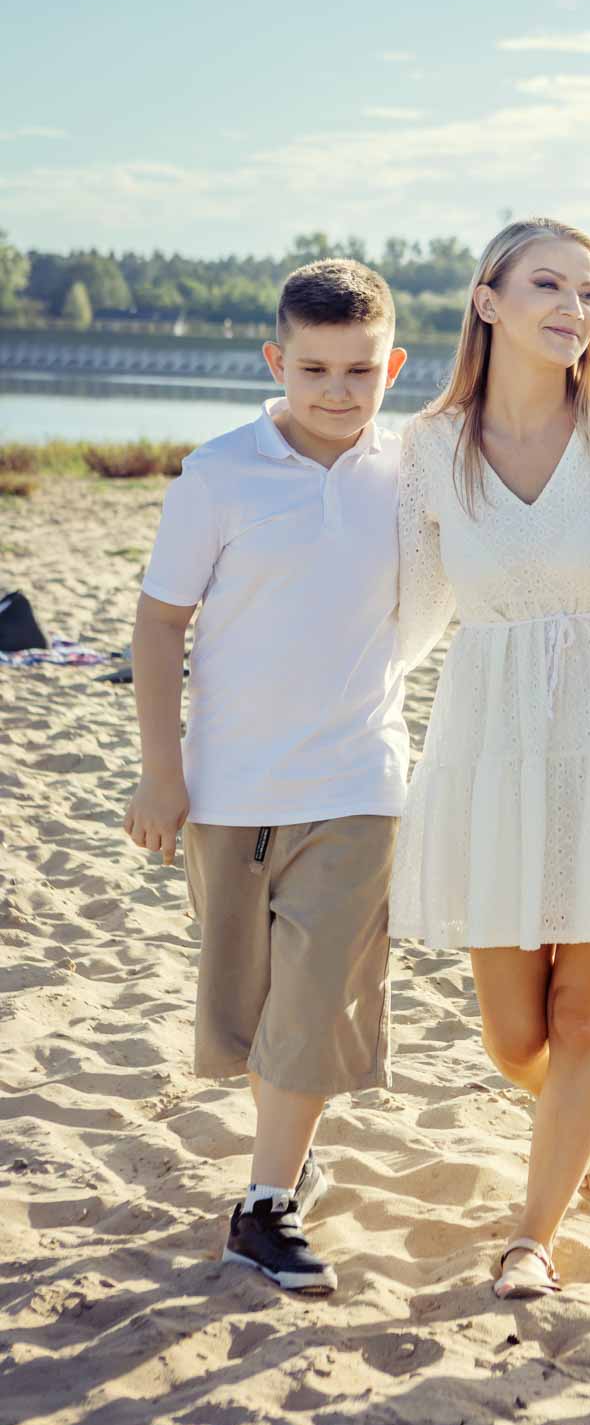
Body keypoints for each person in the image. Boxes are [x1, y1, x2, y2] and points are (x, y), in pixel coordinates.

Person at [389, 216, 590, 1301]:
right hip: (489, 742)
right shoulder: (429, 447)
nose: (575, 308)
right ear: (488, 302)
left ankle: (534, 1236)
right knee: (513, 1035)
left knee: (583, 1017)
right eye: (549, 286)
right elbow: (408, 610)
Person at [124, 259, 409, 1297]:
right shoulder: (218, 474)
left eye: (361, 371)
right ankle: (287, 1163)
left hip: (360, 782)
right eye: (315, 368)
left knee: (318, 996)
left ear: (394, 367)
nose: (338, 391)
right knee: (250, 1013)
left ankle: (264, 1206)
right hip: (230, 788)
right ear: (274, 360)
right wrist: (161, 775)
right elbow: (161, 624)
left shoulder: (415, 473)